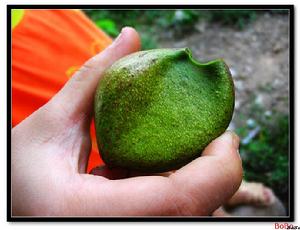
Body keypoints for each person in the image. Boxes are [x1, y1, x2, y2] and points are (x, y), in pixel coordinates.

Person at [12, 9, 243, 216]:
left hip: (56, 36)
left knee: (188, 183)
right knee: (168, 191)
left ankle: (222, 202)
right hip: (56, 163)